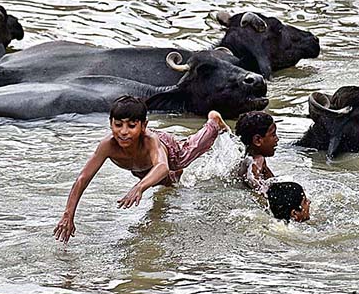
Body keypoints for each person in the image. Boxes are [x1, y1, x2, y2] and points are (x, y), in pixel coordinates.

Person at [53, 95, 229, 244]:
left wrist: (139, 188)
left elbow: (162, 166)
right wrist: (68, 214)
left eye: (131, 126)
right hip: (140, 168)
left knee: (186, 154)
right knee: (167, 186)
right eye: (118, 125)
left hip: (166, 154)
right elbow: (83, 178)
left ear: (143, 126)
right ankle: (173, 179)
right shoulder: (108, 145)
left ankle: (213, 123)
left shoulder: (150, 140)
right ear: (110, 124)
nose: (123, 132)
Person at [234, 110, 278, 193]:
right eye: (273, 135)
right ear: (257, 140)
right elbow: (258, 188)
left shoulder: (243, 159)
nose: (277, 139)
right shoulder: (258, 161)